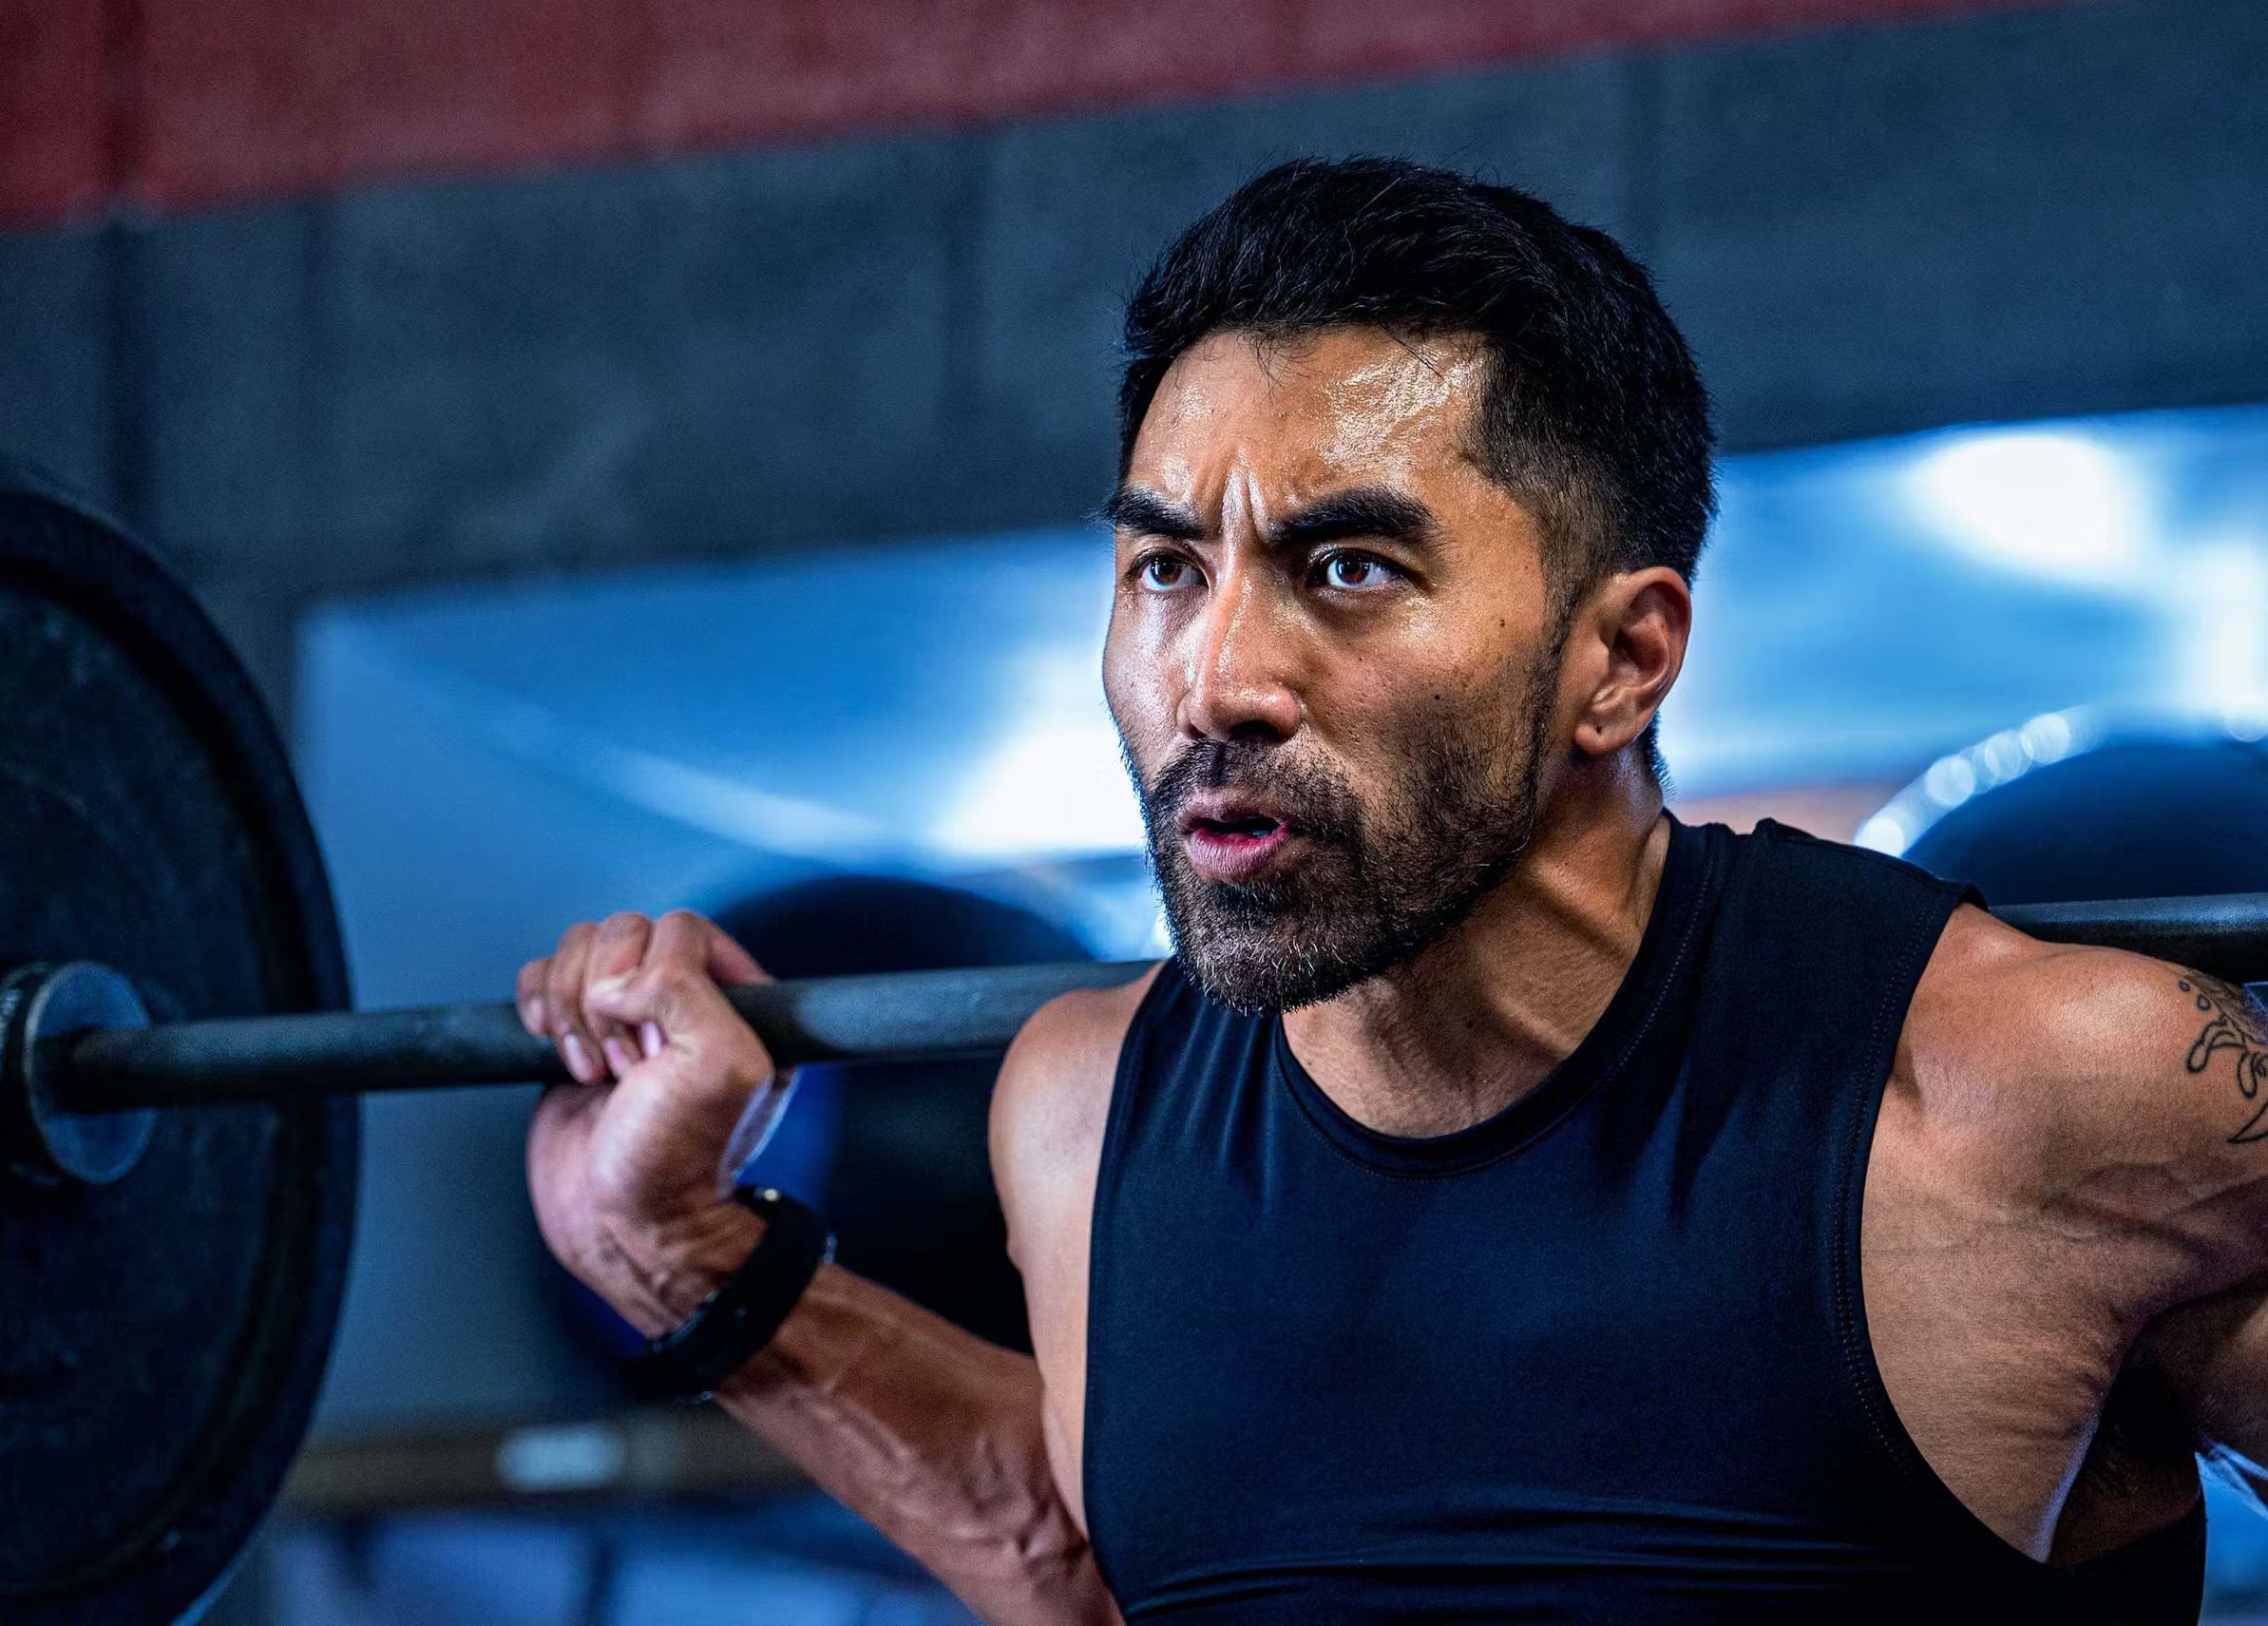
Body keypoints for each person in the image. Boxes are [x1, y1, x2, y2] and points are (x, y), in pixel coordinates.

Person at [513, 157, 2251, 1622]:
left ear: (1621, 661)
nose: (1213, 676)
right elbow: (1111, 1568)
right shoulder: (1083, 1105)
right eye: (1165, 568)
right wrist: (662, 1246)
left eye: (1347, 565)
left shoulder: (2032, 1093)